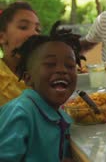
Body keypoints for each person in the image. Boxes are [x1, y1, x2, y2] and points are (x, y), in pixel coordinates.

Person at [0, 22, 80, 161]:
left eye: (70, 66)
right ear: (28, 78)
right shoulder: (19, 113)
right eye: (50, 64)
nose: (62, 70)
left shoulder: (62, 117)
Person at [0, 1, 41, 106]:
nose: (34, 34)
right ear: (2, 37)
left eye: (37, 29)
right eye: (23, 27)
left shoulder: (43, 75)